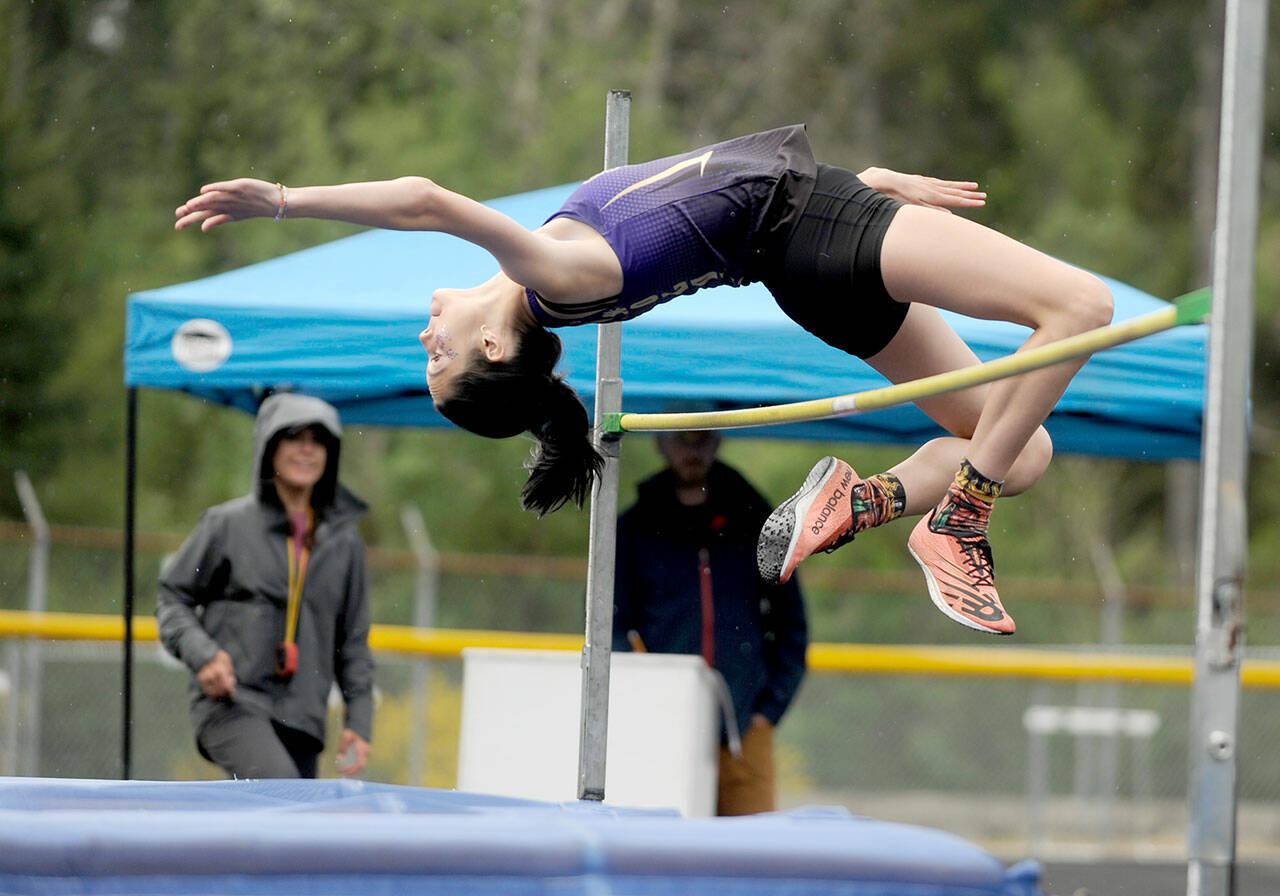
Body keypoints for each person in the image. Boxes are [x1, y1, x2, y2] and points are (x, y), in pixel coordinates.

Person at [174, 124, 1114, 636]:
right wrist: (286, 201)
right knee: (1079, 309)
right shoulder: (550, 273)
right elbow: (426, 201)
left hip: (813, 247)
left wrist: (859, 181)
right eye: (436, 353)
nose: (426, 330)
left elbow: (698, 196)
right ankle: (959, 524)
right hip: (816, 233)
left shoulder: (554, 264)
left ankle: (867, 503)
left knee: (1021, 445)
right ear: (495, 352)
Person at [157, 392, 374, 779]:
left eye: (318, 440)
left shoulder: (344, 542)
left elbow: (353, 641)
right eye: (294, 437)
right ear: (269, 447)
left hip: (304, 718)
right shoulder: (226, 525)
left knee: (287, 829)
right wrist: (203, 654)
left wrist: (359, 721)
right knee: (283, 799)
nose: (307, 450)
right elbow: (172, 598)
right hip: (233, 704)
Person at [613, 428, 807, 815]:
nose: (691, 450)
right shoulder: (634, 527)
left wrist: (768, 712)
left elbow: (792, 623)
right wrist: (643, 694)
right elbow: (612, 624)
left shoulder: (759, 521)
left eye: (702, 438)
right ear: (660, 443)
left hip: (744, 725)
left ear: (718, 441)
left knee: (749, 854)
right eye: (680, 439)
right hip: (662, 727)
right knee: (662, 843)